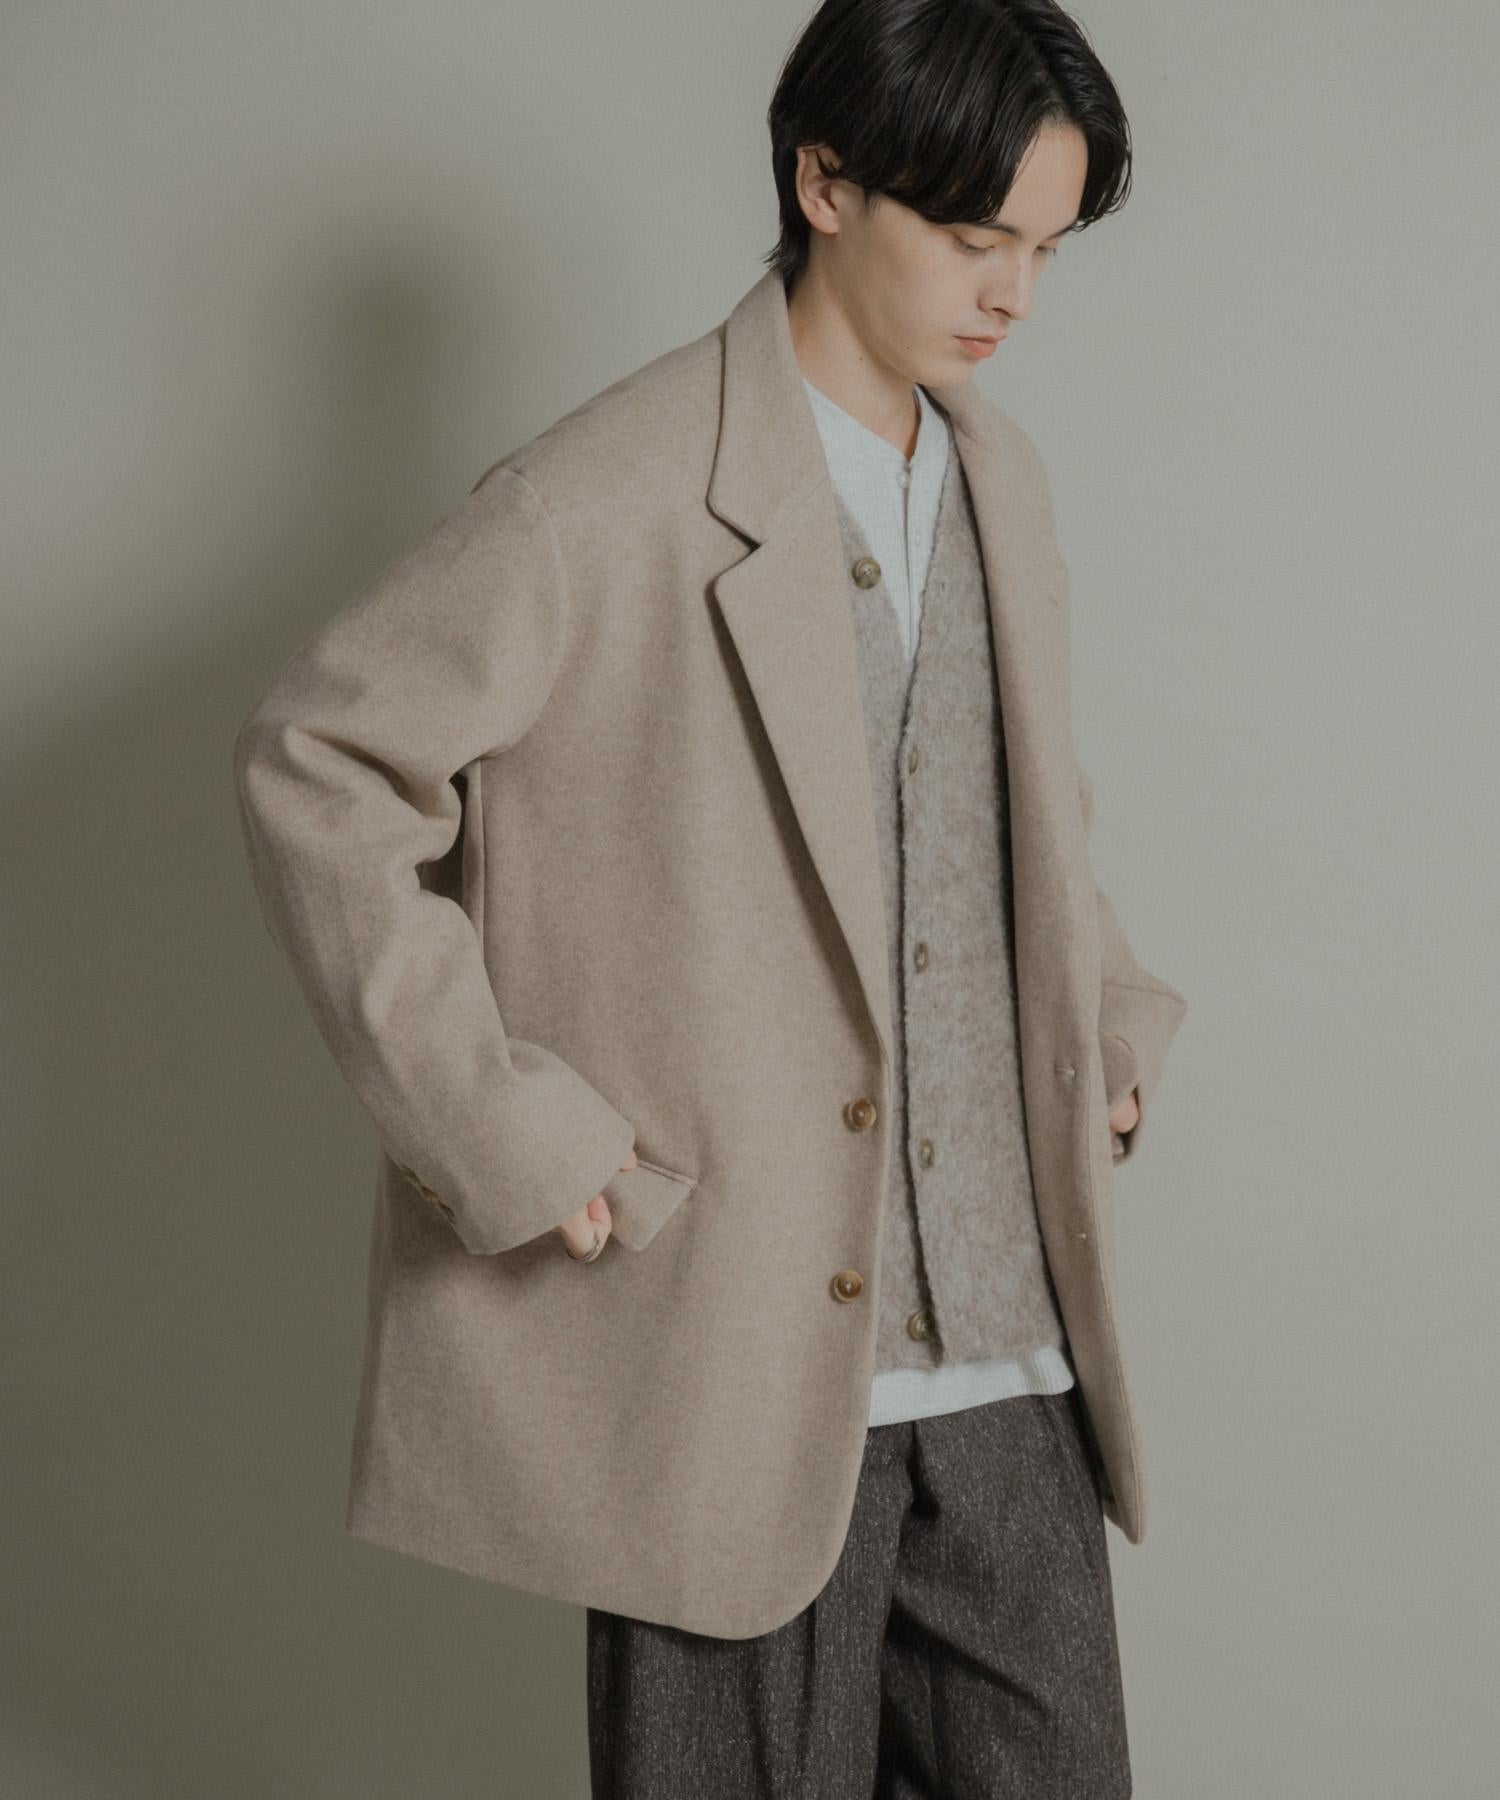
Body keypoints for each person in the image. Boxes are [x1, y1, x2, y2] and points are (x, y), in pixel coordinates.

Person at [232, 1, 1188, 1792]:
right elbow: (320, 764)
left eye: (1045, 251)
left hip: (1009, 1356)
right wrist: (500, 1126)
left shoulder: (998, 476)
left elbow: (1009, 812)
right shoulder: (604, 491)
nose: (1012, 297)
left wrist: (1105, 1022)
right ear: (824, 182)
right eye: (972, 237)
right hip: (726, 1368)